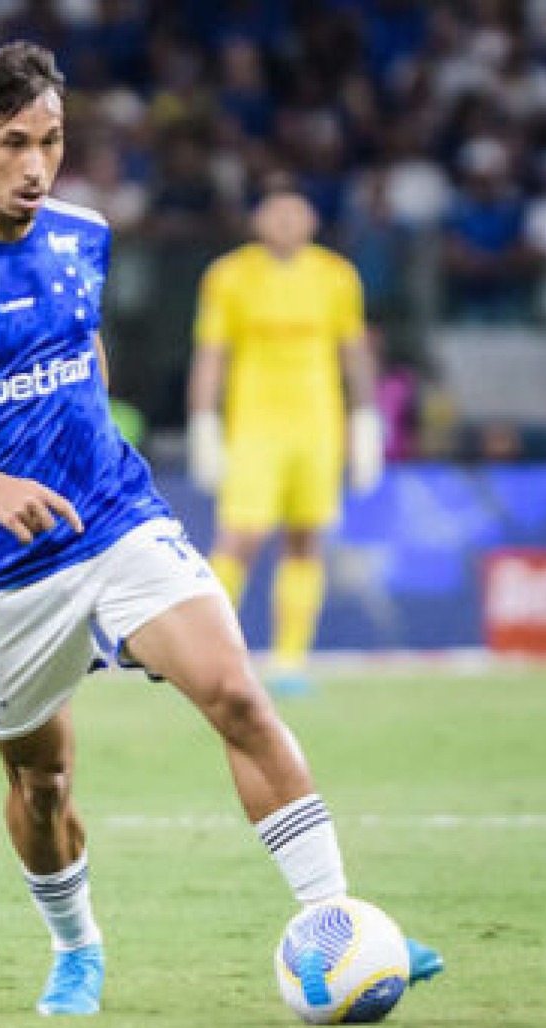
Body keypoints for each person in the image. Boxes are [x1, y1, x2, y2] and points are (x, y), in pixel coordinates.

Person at [0, 42, 441, 1018]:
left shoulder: (82, 235)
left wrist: (90, 449)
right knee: (42, 783)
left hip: (114, 522)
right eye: (15, 143)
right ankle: (77, 949)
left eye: (54, 141)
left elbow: (81, 351)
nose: (36, 165)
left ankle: (343, 924)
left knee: (237, 694)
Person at [186, 180, 383, 693]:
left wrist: (367, 419)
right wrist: (203, 421)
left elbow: (354, 351)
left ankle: (290, 660)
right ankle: (208, 654)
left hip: (319, 423)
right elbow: (212, 353)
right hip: (255, 424)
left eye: (297, 215)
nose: (287, 225)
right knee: (241, 536)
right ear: (258, 222)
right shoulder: (229, 276)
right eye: (276, 215)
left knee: (305, 538)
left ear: (312, 222)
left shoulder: (336, 276)